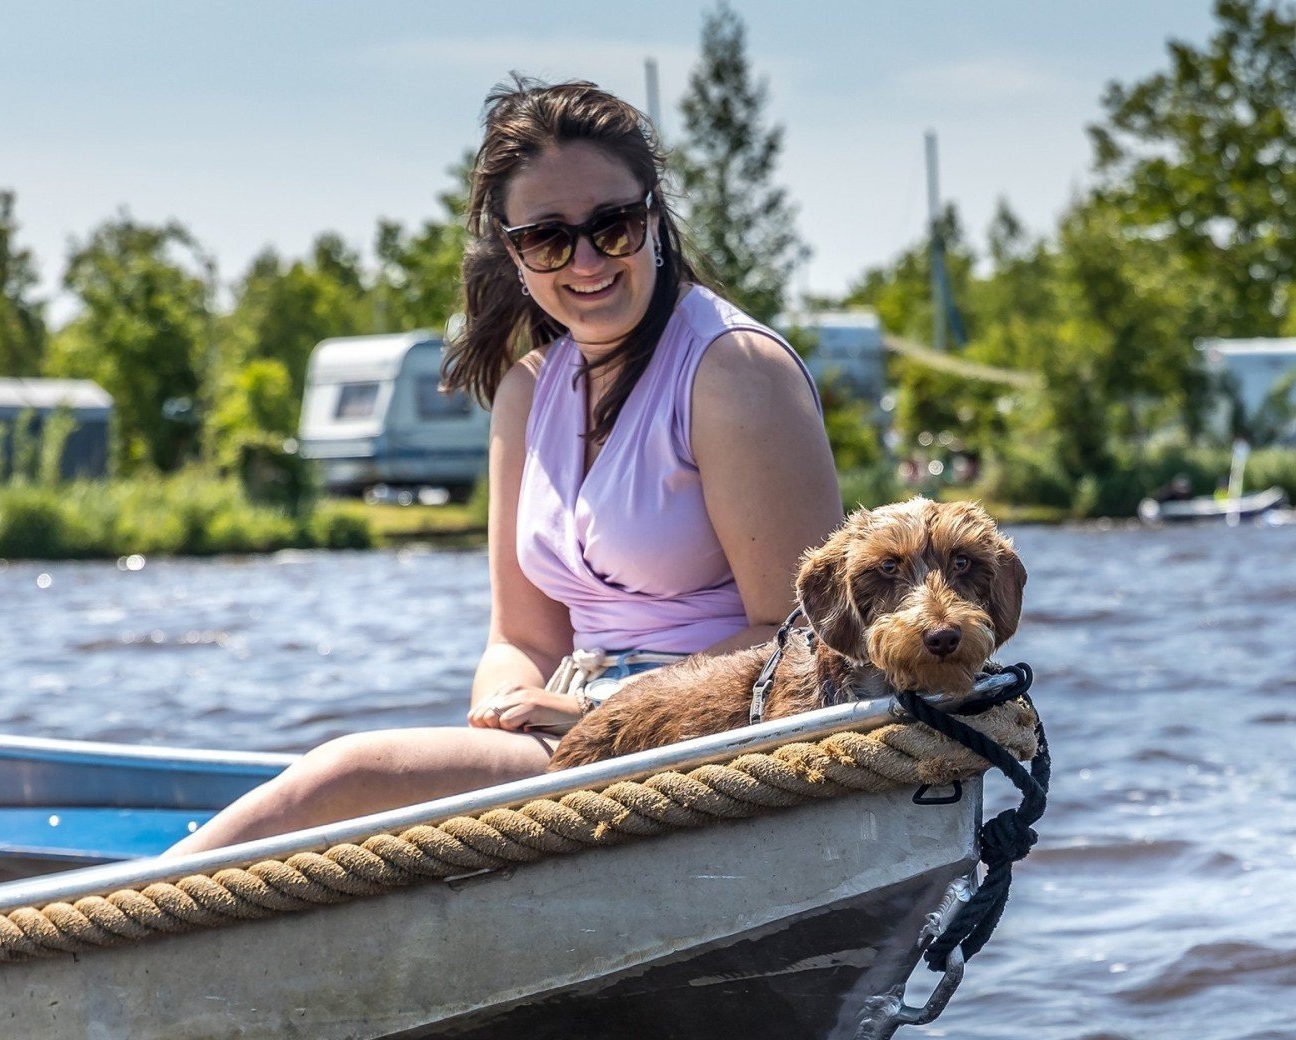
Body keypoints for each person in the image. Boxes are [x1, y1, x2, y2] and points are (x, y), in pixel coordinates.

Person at [168, 78, 841, 855]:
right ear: (514, 253)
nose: (586, 259)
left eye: (612, 226)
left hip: (716, 741)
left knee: (343, 776)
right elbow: (519, 635)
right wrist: (502, 710)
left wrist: (614, 714)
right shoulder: (528, 391)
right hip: (581, 734)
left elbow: (803, 636)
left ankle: (88, 935)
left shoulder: (734, 371)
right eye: (549, 239)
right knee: (353, 803)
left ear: (653, 218)